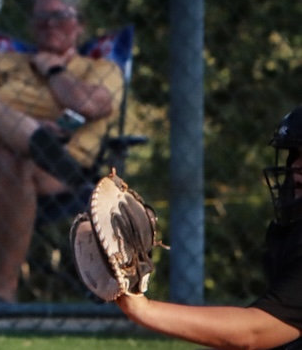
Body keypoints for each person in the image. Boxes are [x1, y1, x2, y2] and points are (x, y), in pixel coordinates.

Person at [0, 0, 125, 304]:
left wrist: (53, 70)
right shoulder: (3, 63)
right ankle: (34, 139)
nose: (49, 23)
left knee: (13, 155)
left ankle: (3, 290)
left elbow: (91, 106)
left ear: (79, 24)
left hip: (57, 174)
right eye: (41, 17)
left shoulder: (100, 68)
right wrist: (28, 127)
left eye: (59, 16)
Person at [116, 107, 302, 349]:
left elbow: (256, 331)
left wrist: (143, 309)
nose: (296, 169)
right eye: (295, 155)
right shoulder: (291, 229)